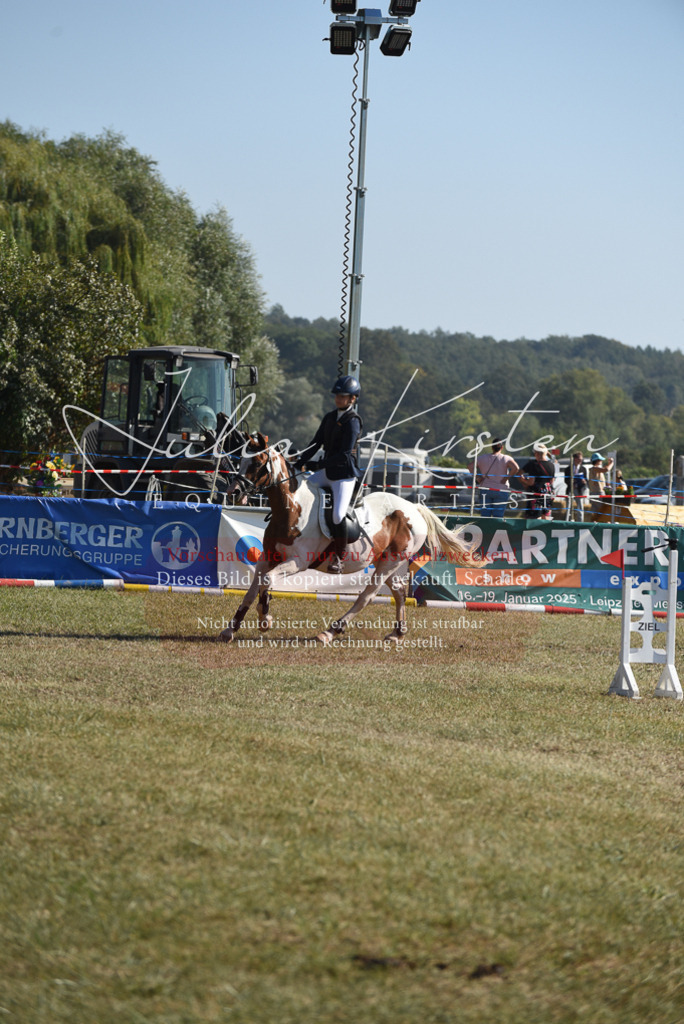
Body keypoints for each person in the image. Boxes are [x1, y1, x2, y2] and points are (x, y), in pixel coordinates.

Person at [297, 375, 363, 572]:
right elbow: (316, 443)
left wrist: (319, 464)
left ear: (353, 398)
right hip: (326, 470)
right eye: (337, 396)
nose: (338, 399)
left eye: (343, 396)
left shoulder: (353, 421)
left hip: (343, 475)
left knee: (337, 515)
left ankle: (339, 557)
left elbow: (344, 454)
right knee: (300, 490)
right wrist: (299, 460)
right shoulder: (329, 417)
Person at [468, 438, 519, 518]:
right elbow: (516, 468)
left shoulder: (482, 458)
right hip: (501, 490)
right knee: (498, 517)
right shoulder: (506, 458)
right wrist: (505, 479)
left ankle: (485, 530)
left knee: (485, 516)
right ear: (501, 448)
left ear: (492, 447)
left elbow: (470, 466)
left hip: (485, 489)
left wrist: (477, 477)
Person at [520, 444, 557, 519]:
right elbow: (552, 481)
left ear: (536, 453)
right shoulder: (551, 465)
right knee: (546, 517)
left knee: (534, 517)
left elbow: (530, 481)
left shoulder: (533, 464)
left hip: (536, 493)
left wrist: (524, 483)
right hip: (548, 493)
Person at [564, 451, 589, 522]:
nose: (581, 461)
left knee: (580, 506)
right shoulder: (568, 469)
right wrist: (571, 483)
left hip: (579, 490)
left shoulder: (583, 469)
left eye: (581, 459)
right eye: (579, 459)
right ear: (575, 459)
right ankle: (568, 521)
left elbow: (586, 480)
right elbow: (566, 480)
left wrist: (584, 482)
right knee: (568, 506)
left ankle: (580, 522)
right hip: (570, 489)